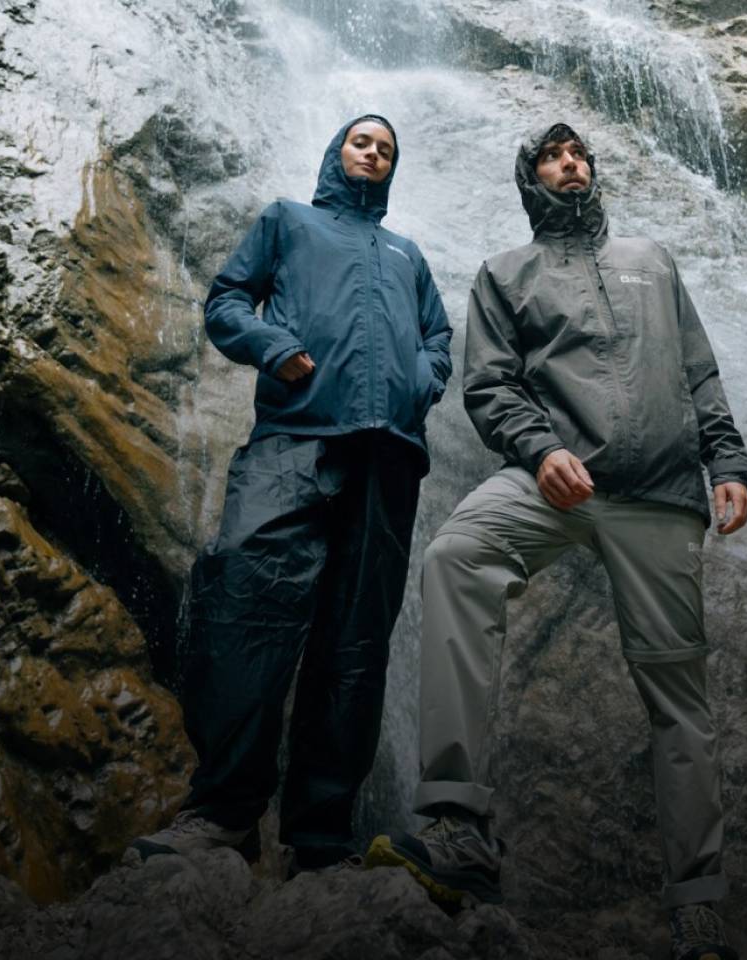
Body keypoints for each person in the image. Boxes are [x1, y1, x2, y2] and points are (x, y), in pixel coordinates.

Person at [365, 122, 747, 960]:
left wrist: (730, 459)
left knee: (679, 696)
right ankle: (460, 828)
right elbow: (490, 384)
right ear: (531, 176)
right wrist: (541, 452)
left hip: (657, 496)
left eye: (579, 155)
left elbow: (700, 369)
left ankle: (698, 908)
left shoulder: (654, 261)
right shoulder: (507, 274)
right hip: (556, 483)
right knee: (456, 555)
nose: (571, 164)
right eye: (553, 156)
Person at [128, 115, 452, 873]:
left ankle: (320, 837)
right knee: (245, 605)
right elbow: (227, 303)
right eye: (360, 142)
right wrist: (277, 349)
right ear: (336, 152)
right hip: (294, 442)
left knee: (356, 646)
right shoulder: (287, 220)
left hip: (390, 458)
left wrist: (419, 382)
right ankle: (222, 814)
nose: (373, 153)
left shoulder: (408, 255)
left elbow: (438, 340)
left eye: (387, 149)